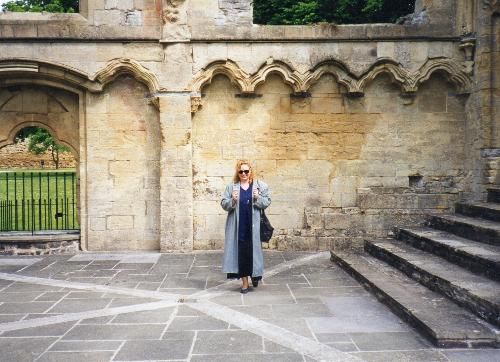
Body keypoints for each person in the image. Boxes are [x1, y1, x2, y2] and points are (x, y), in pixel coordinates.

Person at [221, 160, 271, 293]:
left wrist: (257, 198)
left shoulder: (259, 186)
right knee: (242, 253)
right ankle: (244, 283)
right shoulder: (231, 187)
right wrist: (232, 201)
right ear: (237, 173)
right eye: (241, 171)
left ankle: (254, 275)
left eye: (246, 171)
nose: (244, 174)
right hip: (239, 226)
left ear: (250, 172)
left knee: (253, 252)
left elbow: (267, 202)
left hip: (253, 226)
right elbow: (223, 204)